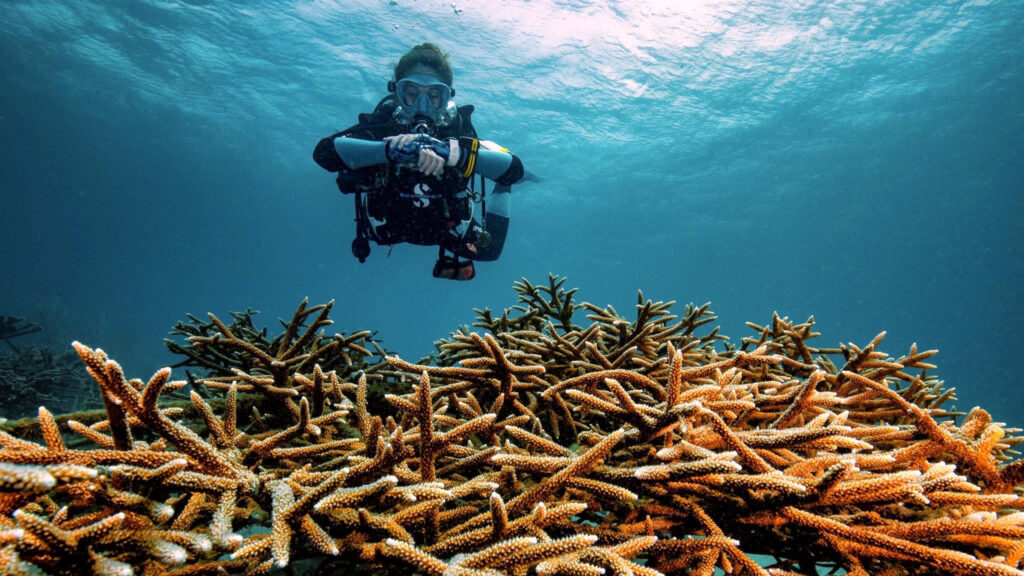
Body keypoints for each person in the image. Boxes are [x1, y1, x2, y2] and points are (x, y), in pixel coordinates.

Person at [314, 43, 524, 280]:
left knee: (489, 250)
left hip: (448, 228)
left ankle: (500, 189)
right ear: (397, 93)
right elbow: (323, 153)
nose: (422, 106)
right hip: (389, 225)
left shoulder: (455, 129)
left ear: (446, 98)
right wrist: (390, 151)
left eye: (434, 96)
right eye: (412, 94)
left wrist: (451, 153)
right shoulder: (384, 124)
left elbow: (514, 171)